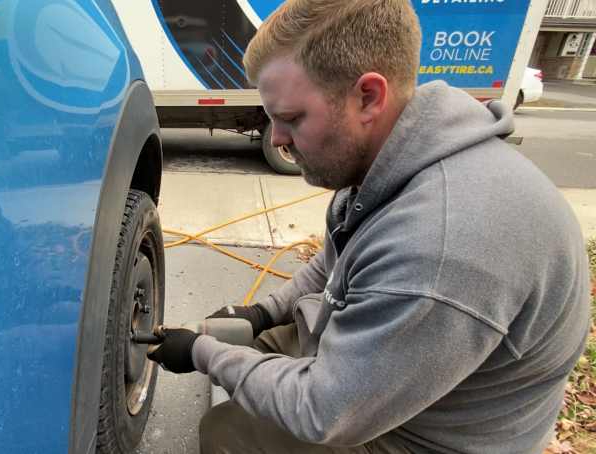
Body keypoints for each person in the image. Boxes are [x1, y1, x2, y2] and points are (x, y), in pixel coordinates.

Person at [145, 0, 592, 452]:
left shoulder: (439, 246)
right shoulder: (392, 158)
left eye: (292, 118)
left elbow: (322, 411)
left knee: (228, 432)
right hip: (401, 376)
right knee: (249, 342)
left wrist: (202, 354)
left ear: (369, 97)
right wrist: (260, 315)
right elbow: (331, 263)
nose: (277, 138)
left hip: (428, 437)